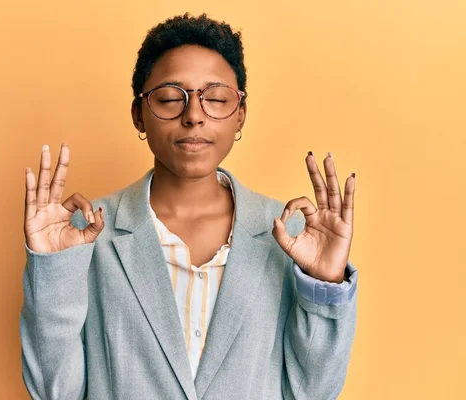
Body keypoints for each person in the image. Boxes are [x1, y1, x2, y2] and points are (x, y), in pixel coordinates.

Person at [20, 13, 358, 400]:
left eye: (215, 99)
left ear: (240, 115)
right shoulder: (82, 234)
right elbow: (54, 392)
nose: (193, 116)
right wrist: (51, 273)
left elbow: (313, 393)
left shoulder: (291, 236)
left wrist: (326, 287)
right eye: (168, 98)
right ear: (139, 114)